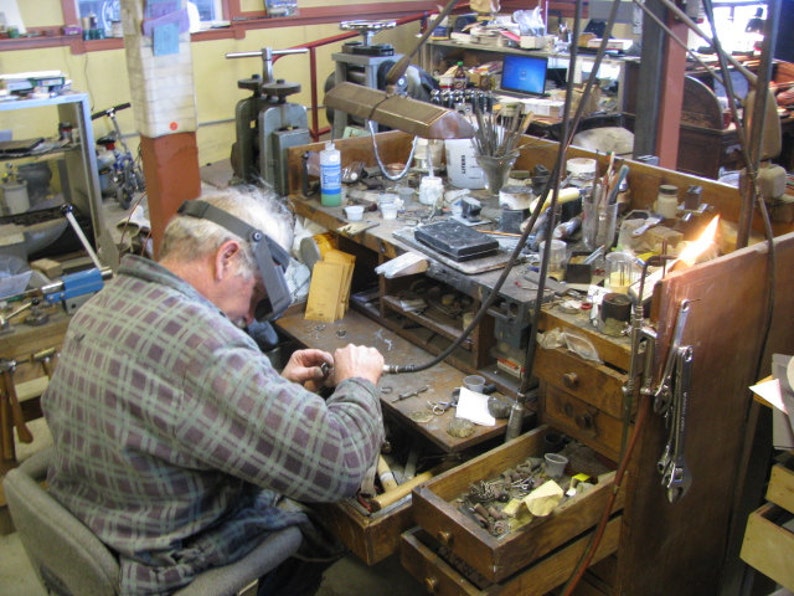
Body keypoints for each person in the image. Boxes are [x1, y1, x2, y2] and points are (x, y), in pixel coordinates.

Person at [42, 187, 386, 594]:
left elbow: (178, 403)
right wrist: (359, 381)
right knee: (322, 523)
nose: (247, 319)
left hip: (106, 526)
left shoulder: (107, 301)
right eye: (255, 296)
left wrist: (271, 387)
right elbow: (341, 465)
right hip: (161, 565)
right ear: (226, 258)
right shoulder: (202, 344)